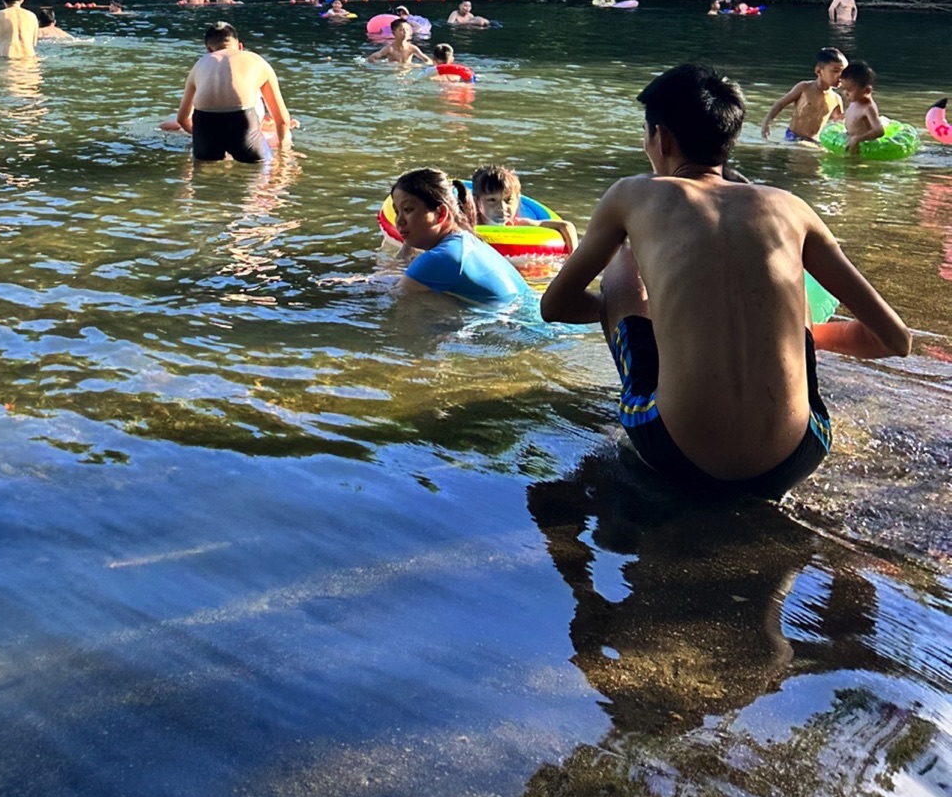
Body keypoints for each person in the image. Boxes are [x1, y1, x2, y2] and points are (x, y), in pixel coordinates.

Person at [540, 63, 910, 499]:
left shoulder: (632, 194)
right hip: (799, 454)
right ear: (729, 139)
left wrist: (654, 311)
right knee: (787, 286)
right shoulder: (790, 207)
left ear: (661, 138)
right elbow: (895, 339)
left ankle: (655, 407)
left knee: (621, 265)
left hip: (676, 454)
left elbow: (555, 307)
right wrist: (794, 333)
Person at [387, 169, 526, 307]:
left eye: (408, 210)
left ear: (441, 213)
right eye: (396, 212)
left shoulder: (439, 258)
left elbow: (389, 299)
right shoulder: (467, 241)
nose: (399, 221)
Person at [162, 22, 294, 162]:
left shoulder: (199, 65)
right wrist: (284, 151)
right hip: (242, 122)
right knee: (263, 168)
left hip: (205, 123)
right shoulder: (257, 61)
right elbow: (282, 120)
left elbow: (182, 118)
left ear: (209, 49)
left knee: (203, 176)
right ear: (240, 46)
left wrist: (200, 135)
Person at [471, 161, 577, 252]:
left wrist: (573, 258)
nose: (502, 207)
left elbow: (566, 226)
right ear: (476, 202)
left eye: (508, 200)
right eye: (492, 200)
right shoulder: (468, 223)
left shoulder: (518, 224)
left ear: (517, 200)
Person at [760, 49, 846, 143]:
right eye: (835, 71)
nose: (840, 76)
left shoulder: (836, 99)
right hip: (794, 137)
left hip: (815, 140)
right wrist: (766, 124)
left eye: (844, 73)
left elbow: (840, 123)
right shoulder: (804, 88)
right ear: (818, 71)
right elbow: (780, 104)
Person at [837, 59, 887, 153]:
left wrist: (858, 139)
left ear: (866, 90)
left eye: (849, 90)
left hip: (862, 148)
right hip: (851, 141)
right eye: (844, 89)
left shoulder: (868, 108)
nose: (845, 93)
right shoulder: (855, 101)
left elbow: (879, 131)